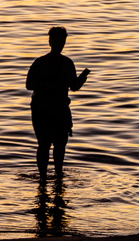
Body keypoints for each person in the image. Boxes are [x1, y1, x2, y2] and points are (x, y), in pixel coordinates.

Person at [26, 26, 90, 177]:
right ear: (50, 41)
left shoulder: (67, 63)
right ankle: (43, 177)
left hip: (60, 109)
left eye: (62, 41)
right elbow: (29, 85)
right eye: (57, 40)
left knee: (60, 145)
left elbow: (74, 87)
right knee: (44, 144)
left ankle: (58, 176)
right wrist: (49, 85)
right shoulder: (40, 63)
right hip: (42, 109)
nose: (60, 44)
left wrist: (83, 77)